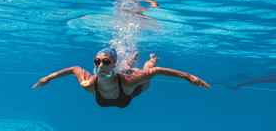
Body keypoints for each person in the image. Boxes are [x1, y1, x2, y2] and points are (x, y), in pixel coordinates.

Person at [32, 48, 210, 108]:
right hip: (119, 79)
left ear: (111, 64)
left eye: (105, 61)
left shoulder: (128, 81)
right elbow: (74, 69)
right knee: (127, 68)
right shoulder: (88, 83)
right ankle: (129, 62)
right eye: (97, 61)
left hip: (132, 89)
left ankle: (151, 60)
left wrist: (187, 77)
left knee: (147, 72)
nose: (100, 65)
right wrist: (50, 76)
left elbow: (156, 73)